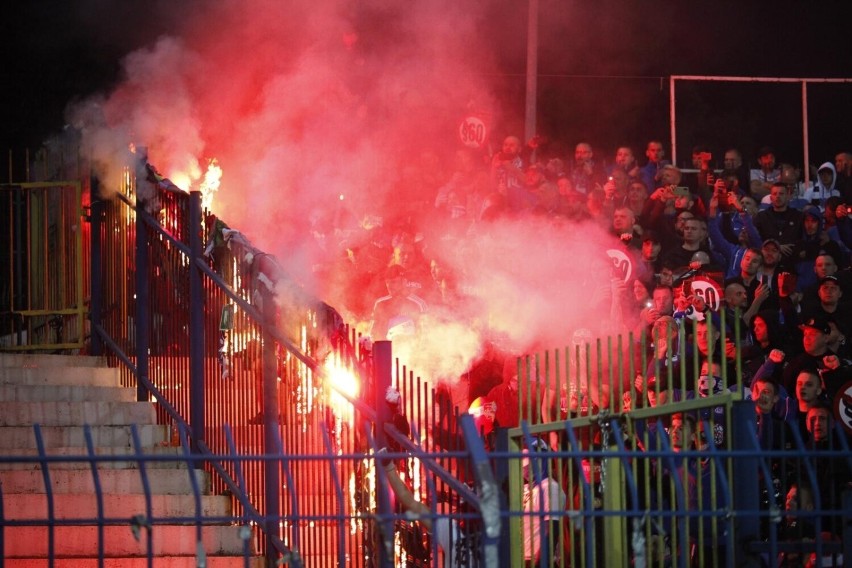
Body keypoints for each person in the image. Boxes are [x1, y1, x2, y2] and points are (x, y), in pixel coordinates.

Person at [521, 437, 566, 566]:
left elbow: (552, 528)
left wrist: (540, 561)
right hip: (522, 558)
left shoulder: (550, 488)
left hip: (536, 560)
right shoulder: (526, 489)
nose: (525, 469)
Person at [753, 182, 804, 250]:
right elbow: (756, 239)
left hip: (792, 256)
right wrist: (776, 247)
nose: (777, 196)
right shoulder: (761, 217)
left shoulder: (798, 216)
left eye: (781, 194)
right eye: (774, 194)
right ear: (771, 198)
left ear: (788, 196)